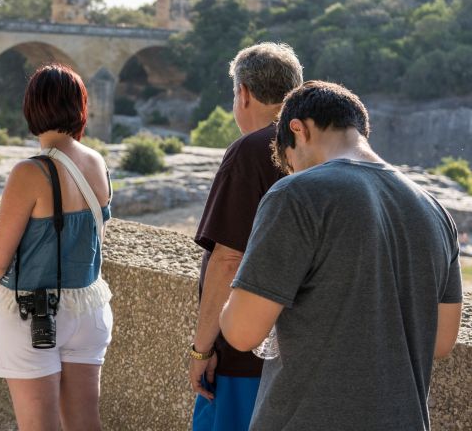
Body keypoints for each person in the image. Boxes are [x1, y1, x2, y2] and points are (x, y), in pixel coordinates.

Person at [220, 81, 464, 430]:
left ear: (298, 130)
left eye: (292, 163)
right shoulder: (436, 211)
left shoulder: (296, 194)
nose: (295, 173)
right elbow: (441, 341)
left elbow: (242, 332)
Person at [0, 63, 113, 431]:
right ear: (80, 106)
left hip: (32, 311)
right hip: (88, 308)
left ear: (31, 109)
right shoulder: (96, 163)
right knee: (85, 423)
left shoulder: (30, 172)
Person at [189, 43, 303, 431]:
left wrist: (202, 348)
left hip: (243, 357)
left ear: (244, 93)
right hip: (299, 352)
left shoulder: (250, 151)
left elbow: (227, 260)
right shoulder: (314, 150)